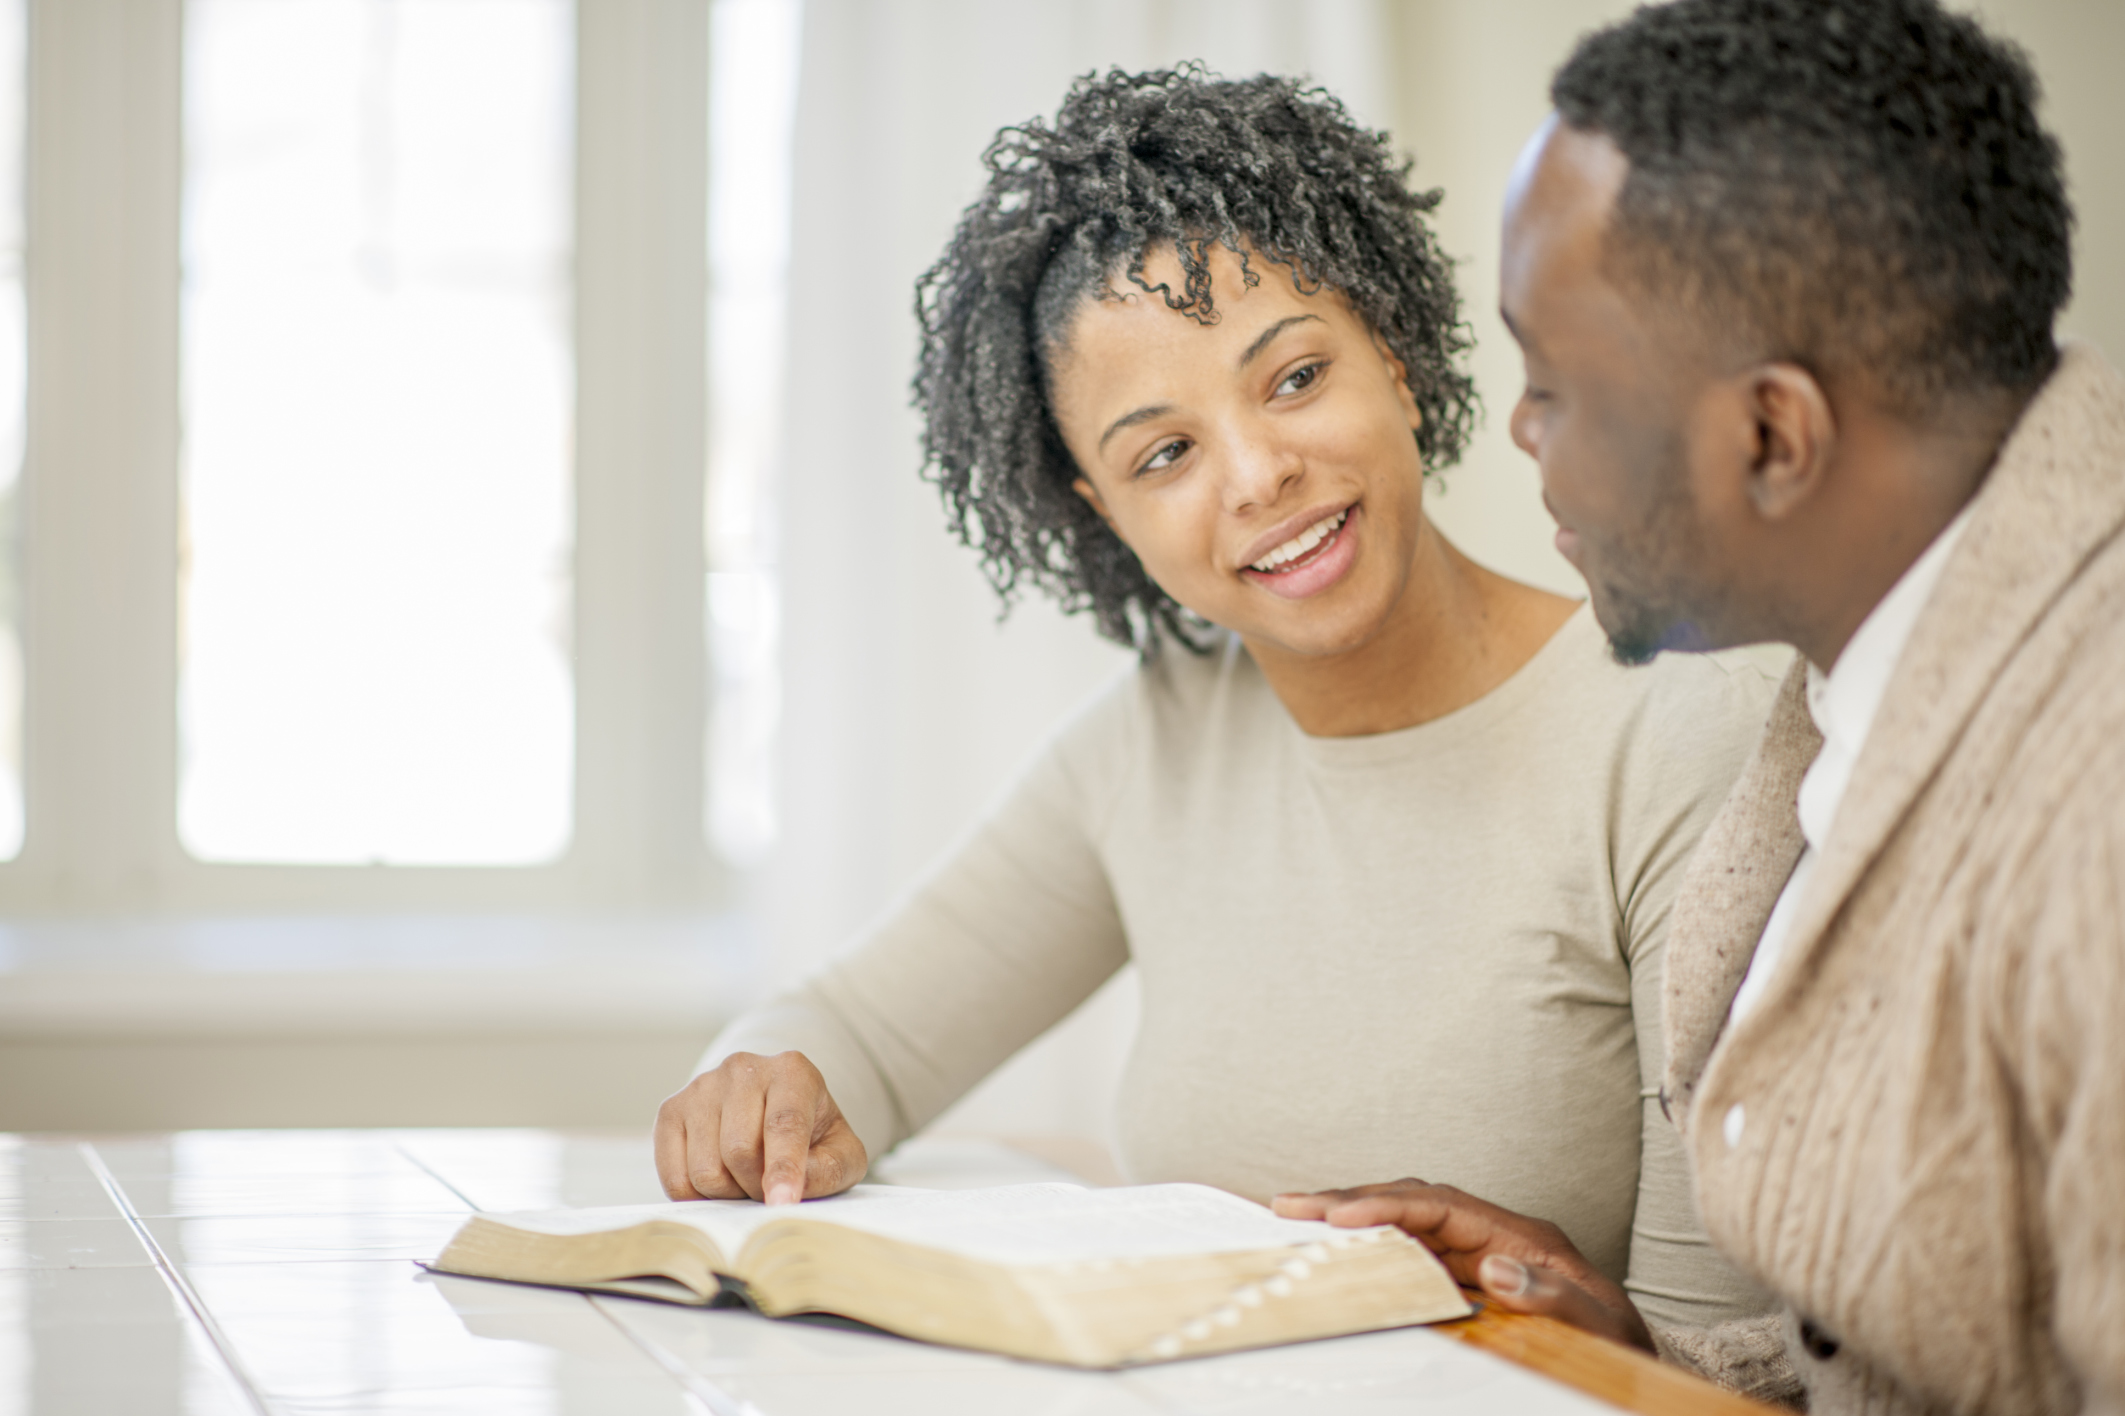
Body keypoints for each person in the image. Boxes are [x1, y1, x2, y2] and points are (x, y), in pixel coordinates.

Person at [656, 67, 1779, 1337]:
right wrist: (751, 1094)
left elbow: (1727, 1368)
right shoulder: (1151, 746)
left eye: (1294, 377)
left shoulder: (1683, 738)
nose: (1257, 475)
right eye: (1164, 453)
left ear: (1396, 358)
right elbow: (852, 1029)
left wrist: (1578, 1328)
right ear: (1105, 514)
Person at [1277, 1, 2125, 1411]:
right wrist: (1649, 1358)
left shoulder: (2095, 801)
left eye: (1552, 382)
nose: (1518, 430)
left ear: (1770, 437)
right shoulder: (1876, 661)